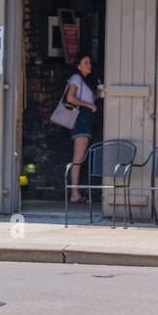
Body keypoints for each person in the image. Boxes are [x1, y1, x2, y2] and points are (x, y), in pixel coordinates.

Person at [62, 54, 100, 203]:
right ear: (78, 66)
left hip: (86, 119)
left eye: (89, 62)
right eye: (85, 62)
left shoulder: (85, 82)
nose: (89, 65)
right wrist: (89, 105)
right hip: (81, 120)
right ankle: (74, 193)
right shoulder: (76, 78)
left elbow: (87, 99)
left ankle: (75, 192)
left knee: (80, 157)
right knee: (78, 158)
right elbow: (70, 98)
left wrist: (96, 96)